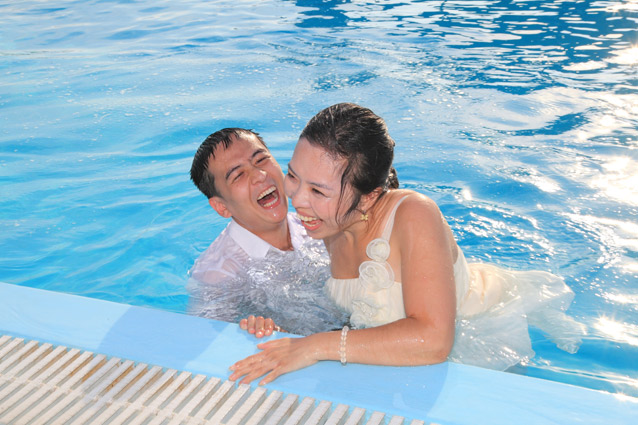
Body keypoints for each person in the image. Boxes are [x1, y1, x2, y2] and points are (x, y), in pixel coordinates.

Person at [229, 103, 586, 385]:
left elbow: (434, 340)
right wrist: (274, 324)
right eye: (293, 175)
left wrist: (313, 347)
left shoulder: (414, 213)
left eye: (317, 190)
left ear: (368, 198)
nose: (297, 198)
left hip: (477, 325)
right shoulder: (327, 221)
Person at [188, 128, 347, 336]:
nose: (259, 175)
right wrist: (266, 335)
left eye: (261, 160)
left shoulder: (318, 224)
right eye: (238, 175)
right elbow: (202, 340)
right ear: (221, 207)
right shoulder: (218, 275)